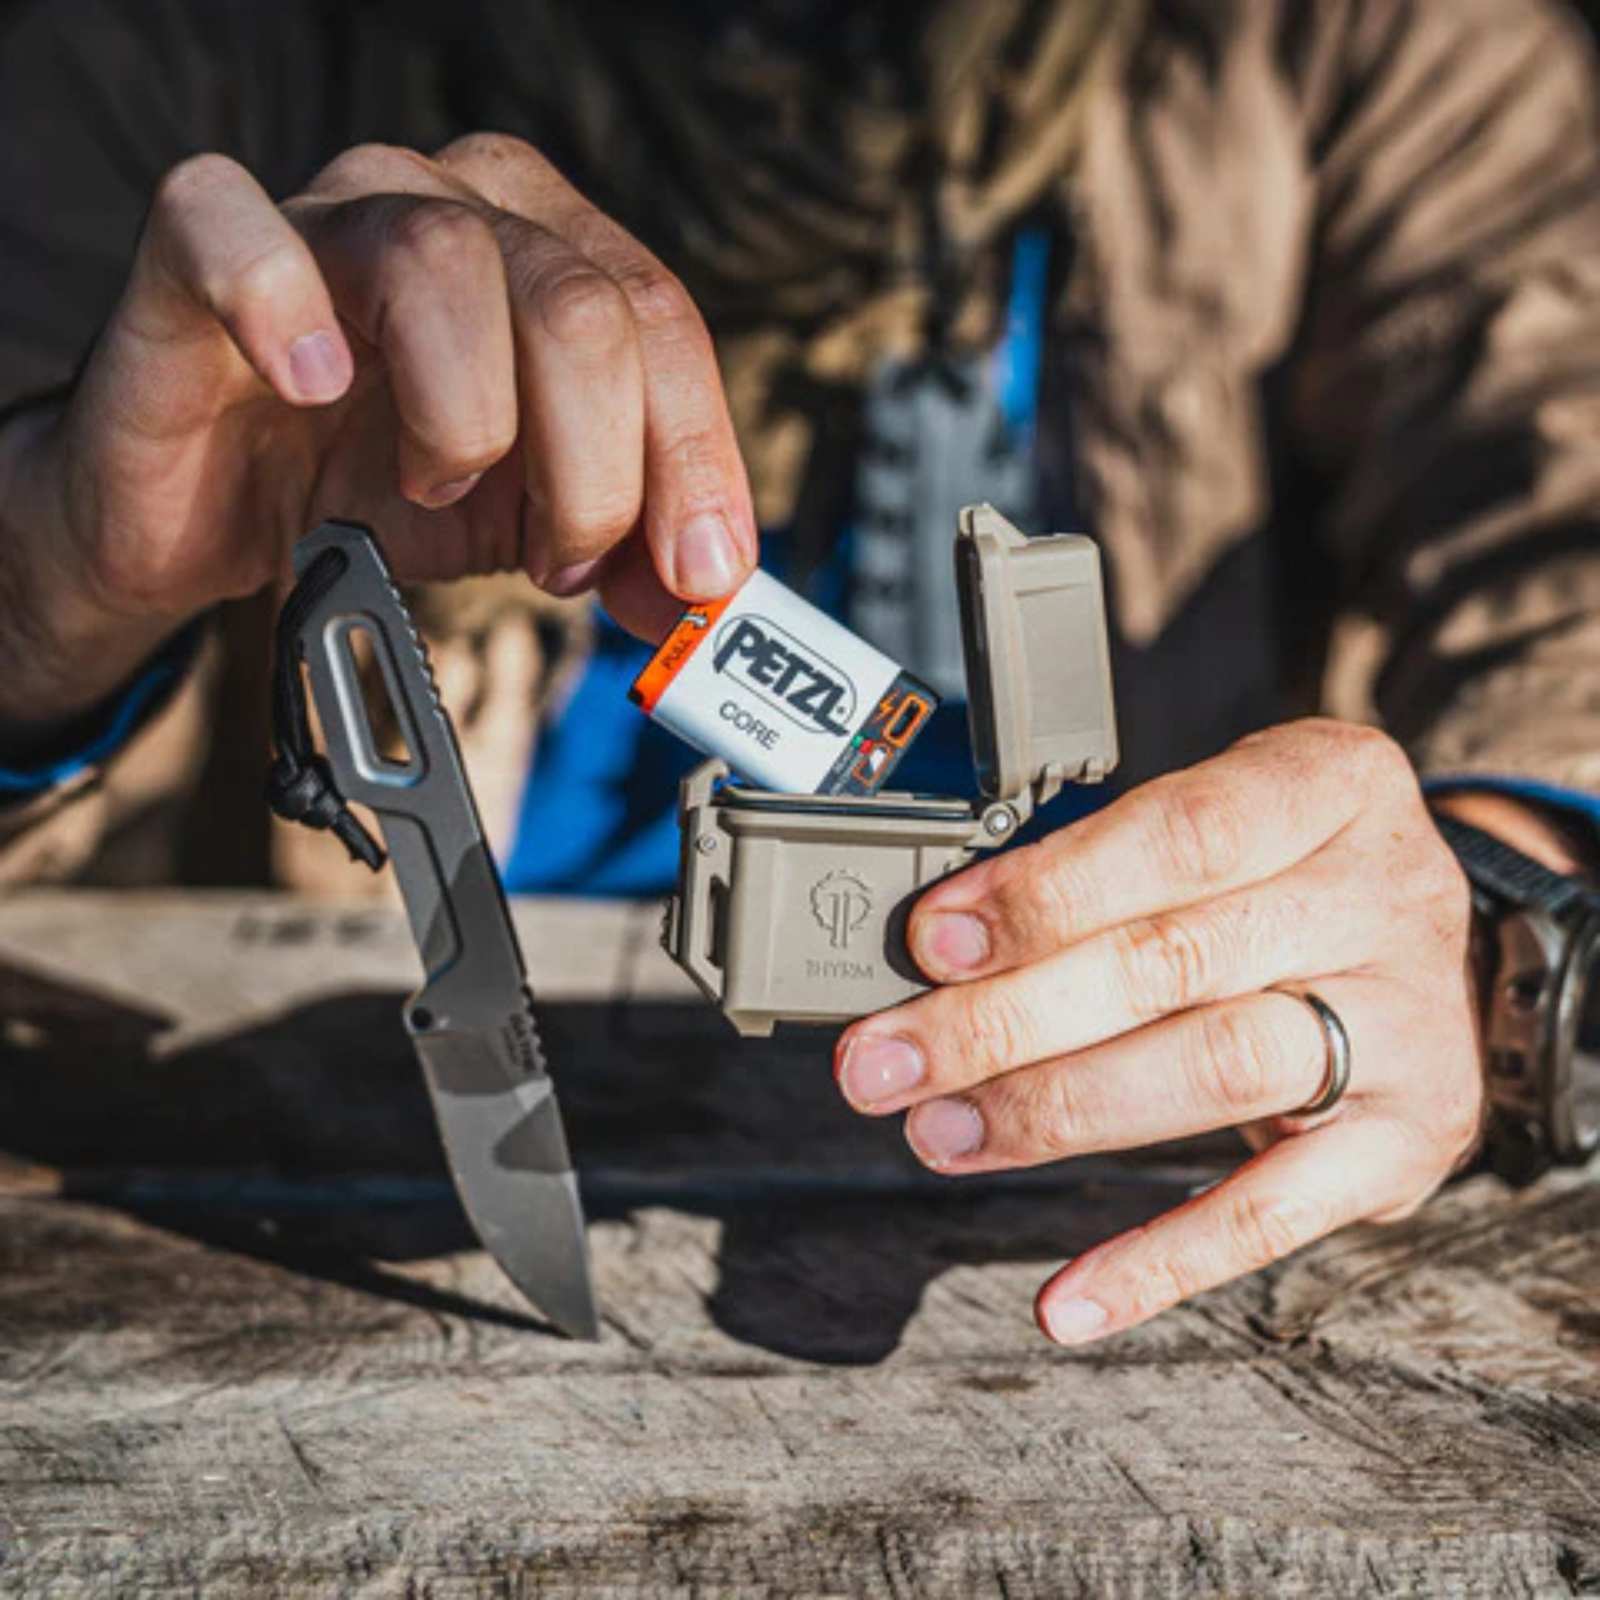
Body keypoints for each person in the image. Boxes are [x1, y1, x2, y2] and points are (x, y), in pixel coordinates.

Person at [0, 0, 1597, 1346]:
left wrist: (1496, 910)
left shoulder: (1356, 46)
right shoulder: (166, 60)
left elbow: (1567, 522)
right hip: (319, 1184)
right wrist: (47, 593)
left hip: (1073, 1190)